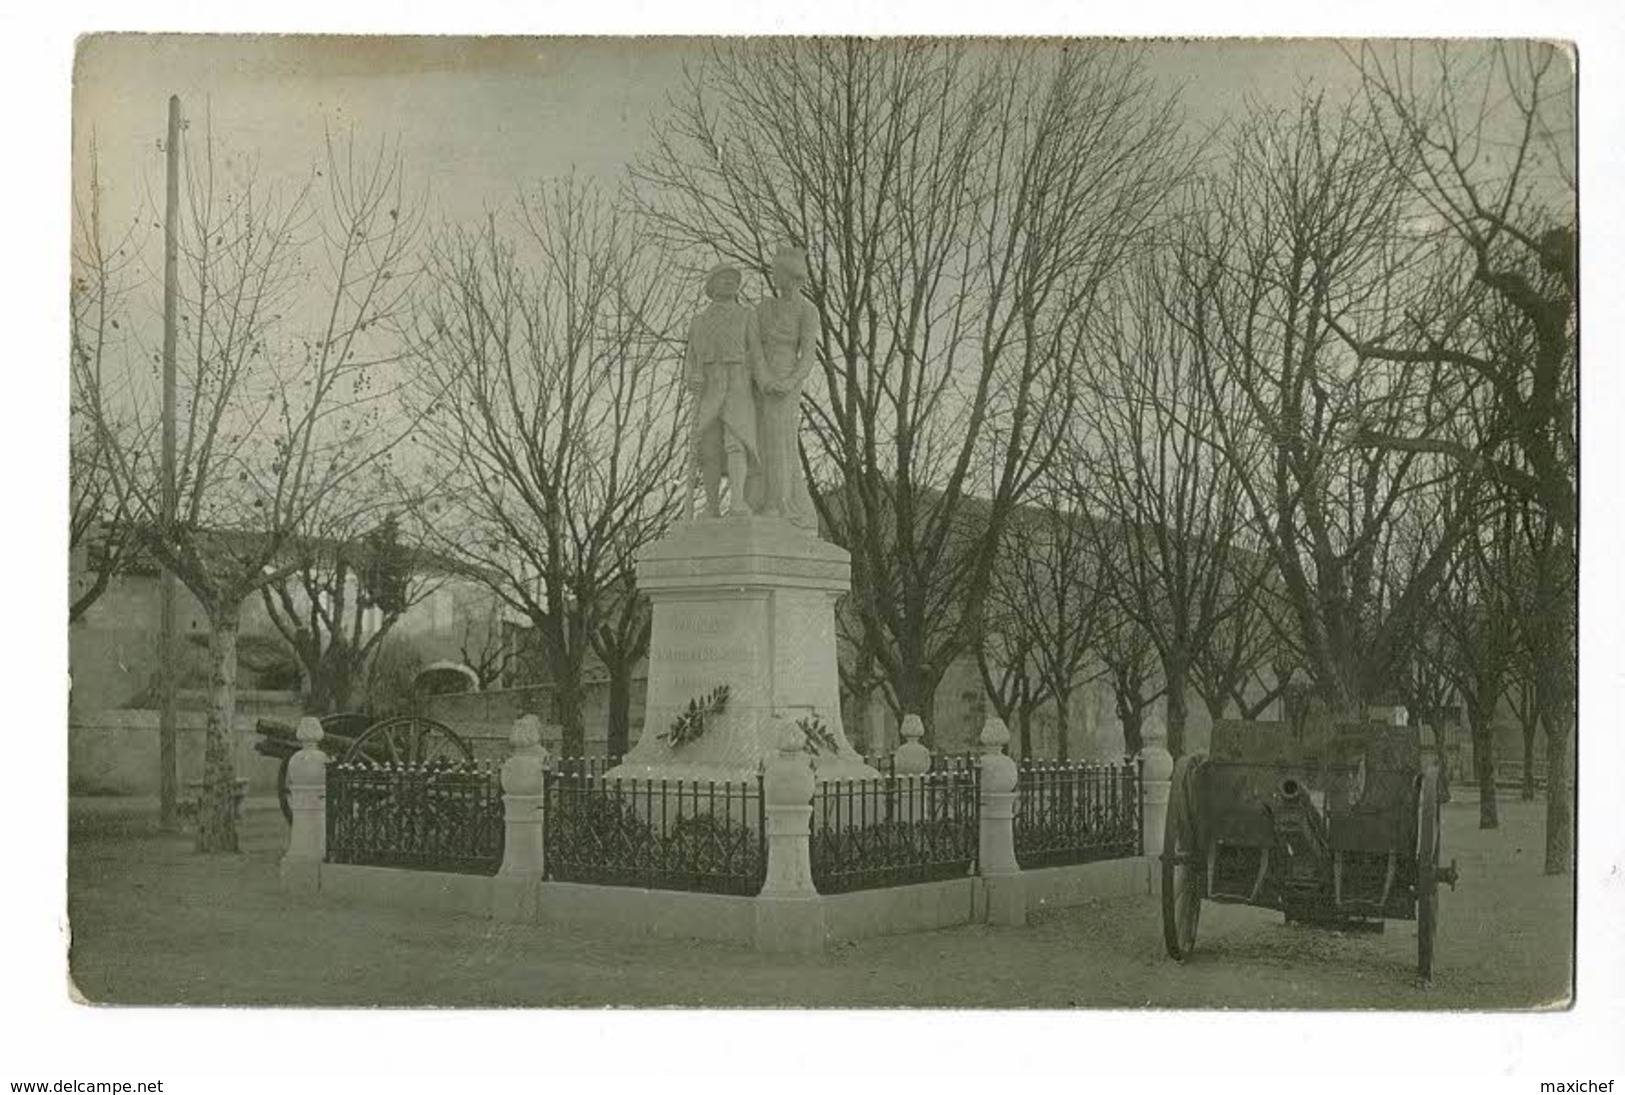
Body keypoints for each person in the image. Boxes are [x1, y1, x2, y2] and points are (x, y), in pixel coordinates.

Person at [751, 245, 819, 530]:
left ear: (792, 275)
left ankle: (779, 505)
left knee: (780, 442)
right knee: (758, 442)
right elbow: (753, 347)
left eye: (779, 272)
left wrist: (790, 382)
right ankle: (756, 501)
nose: (775, 277)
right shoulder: (763, 308)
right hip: (760, 382)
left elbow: (809, 353)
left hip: (787, 384)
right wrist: (764, 379)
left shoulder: (807, 310)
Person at [685, 264, 760, 517]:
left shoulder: (746, 315)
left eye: (733, 279)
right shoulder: (698, 322)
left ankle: (737, 501)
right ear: (711, 285)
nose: (730, 282)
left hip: (738, 386)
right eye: (724, 278)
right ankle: (712, 505)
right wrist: (691, 377)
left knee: (736, 442)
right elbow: (690, 360)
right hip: (709, 389)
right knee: (708, 448)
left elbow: (756, 354)